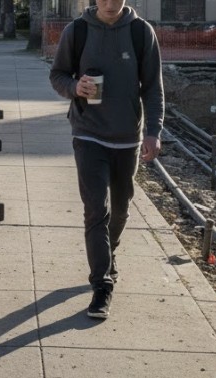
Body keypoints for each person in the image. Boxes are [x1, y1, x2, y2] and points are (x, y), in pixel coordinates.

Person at [48, 0, 164, 319]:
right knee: (96, 209)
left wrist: (153, 132)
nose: (111, 3)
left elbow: (153, 88)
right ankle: (102, 284)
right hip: (88, 134)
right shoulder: (78, 31)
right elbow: (57, 75)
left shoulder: (142, 33)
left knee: (122, 205)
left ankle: (107, 253)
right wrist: (75, 86)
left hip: (127, 137)